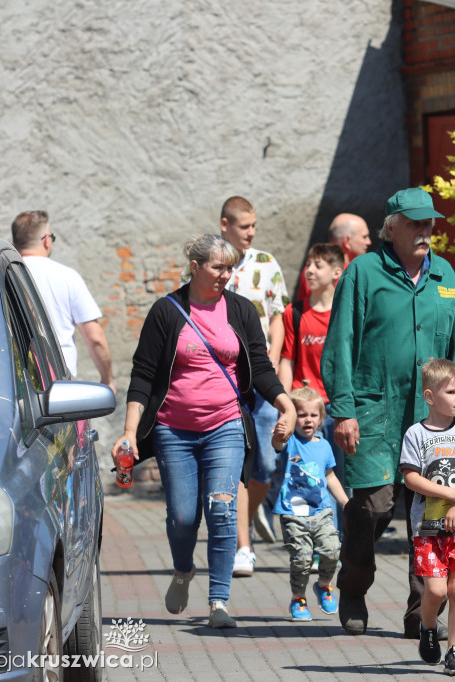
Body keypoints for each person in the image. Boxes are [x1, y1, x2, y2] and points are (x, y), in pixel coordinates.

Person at [112, 234, 296, 628]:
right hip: (173, 429)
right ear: (194, 267)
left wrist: (285, 403)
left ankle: (219, 603)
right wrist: (129, 431)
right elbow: (143, 374)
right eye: (218, 267)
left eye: (230, 268)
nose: (226, 275)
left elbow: (260, 367)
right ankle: (182, 571)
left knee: (222, 509)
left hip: (225, 425)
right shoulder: (167, 311)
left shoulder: (241, 311)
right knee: (181, 517)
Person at [320, 187, 455, 639]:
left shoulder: (444, 275)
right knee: (373, 506)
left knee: (429, 512)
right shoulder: (364, 273)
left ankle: (420, 610)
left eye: (430, 223)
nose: (426, 231)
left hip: (434, 416)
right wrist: (344, 410)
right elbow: (341, 345)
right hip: (374, 411)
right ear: (391, 229)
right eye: (416, 223)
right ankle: (353, 586)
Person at [215, 196, 290, 572]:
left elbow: (278, 315)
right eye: (245, 226)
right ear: (225, 224)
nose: (251, 233)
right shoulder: (211, 265)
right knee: (238, 460)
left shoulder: (265, 263)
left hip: (261, 376)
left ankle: (248, 515)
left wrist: (274, 355)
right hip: (225, 378)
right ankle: (243, 546)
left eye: (254, 226)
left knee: (267, 458)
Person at [401, 359, 455, 676]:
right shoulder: (416, 434)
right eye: (451, 391)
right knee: (436, 591)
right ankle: (427, 628)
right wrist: (449, 495)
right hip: (428, 528)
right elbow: (411, 477)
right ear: (429, 396)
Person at [11, 210, 114, 392]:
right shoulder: (67, 277)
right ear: (46, 240)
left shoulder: (3, 275)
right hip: (59, 386)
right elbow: (95, 338)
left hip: (13, 383)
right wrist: (107, 380)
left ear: (14, 243)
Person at [271, 387, 348, 621]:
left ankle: (324, 585)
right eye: (302, 415)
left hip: (322, 511)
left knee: (333, 550)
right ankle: (298, 598)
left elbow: (330, 476)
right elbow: (276, 444)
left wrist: (346, 503)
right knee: (302, 558)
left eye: (313, 415)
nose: (308, 420)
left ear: (321, 418)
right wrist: (279, 432)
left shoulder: (324, 445)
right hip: (293, 512)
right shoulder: (289, 441)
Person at [294, 213, 371, 303]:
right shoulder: (353, 274)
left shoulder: (310, 270)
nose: (368, 242)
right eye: (364, 237)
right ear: (347, 241)